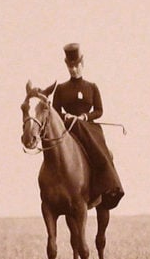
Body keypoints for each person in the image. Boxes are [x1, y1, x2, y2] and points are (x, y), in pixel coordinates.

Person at [52, 43, 124, 209]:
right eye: (70, 67)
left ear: (82, 64)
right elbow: (55, 112)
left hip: (88, 128)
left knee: (104, 150)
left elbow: (99, 110)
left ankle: (109, 182)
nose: (74, 70)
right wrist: (67, 116)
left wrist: (85, 116)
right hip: (68, 128)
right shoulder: (61, 89)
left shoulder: (91, 87)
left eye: (76, 66)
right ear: (67, 67)